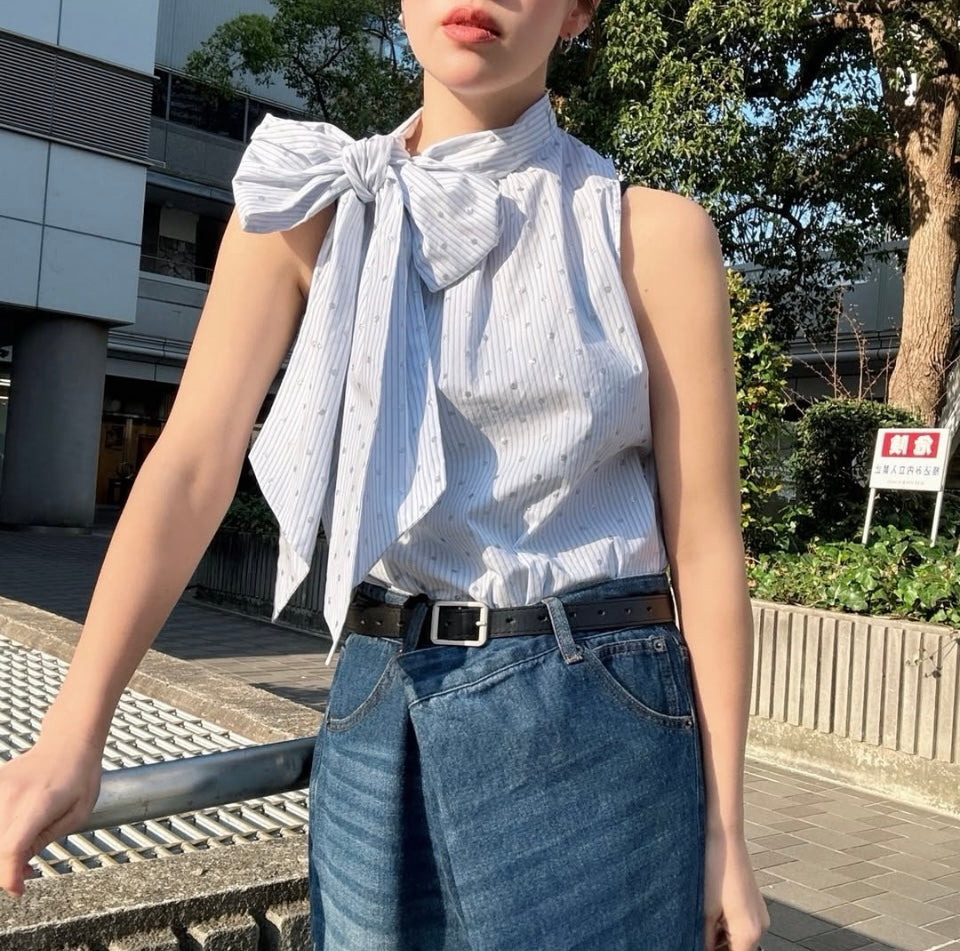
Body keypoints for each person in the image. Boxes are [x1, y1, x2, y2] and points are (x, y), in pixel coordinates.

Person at [0, 2, 770, 949]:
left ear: (577, 11)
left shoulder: (649, 234)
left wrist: (727, 829)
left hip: (597, 716)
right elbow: (191, 465)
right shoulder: (308, 204)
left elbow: (706, 540)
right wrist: (74, 731)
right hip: (377, 703)